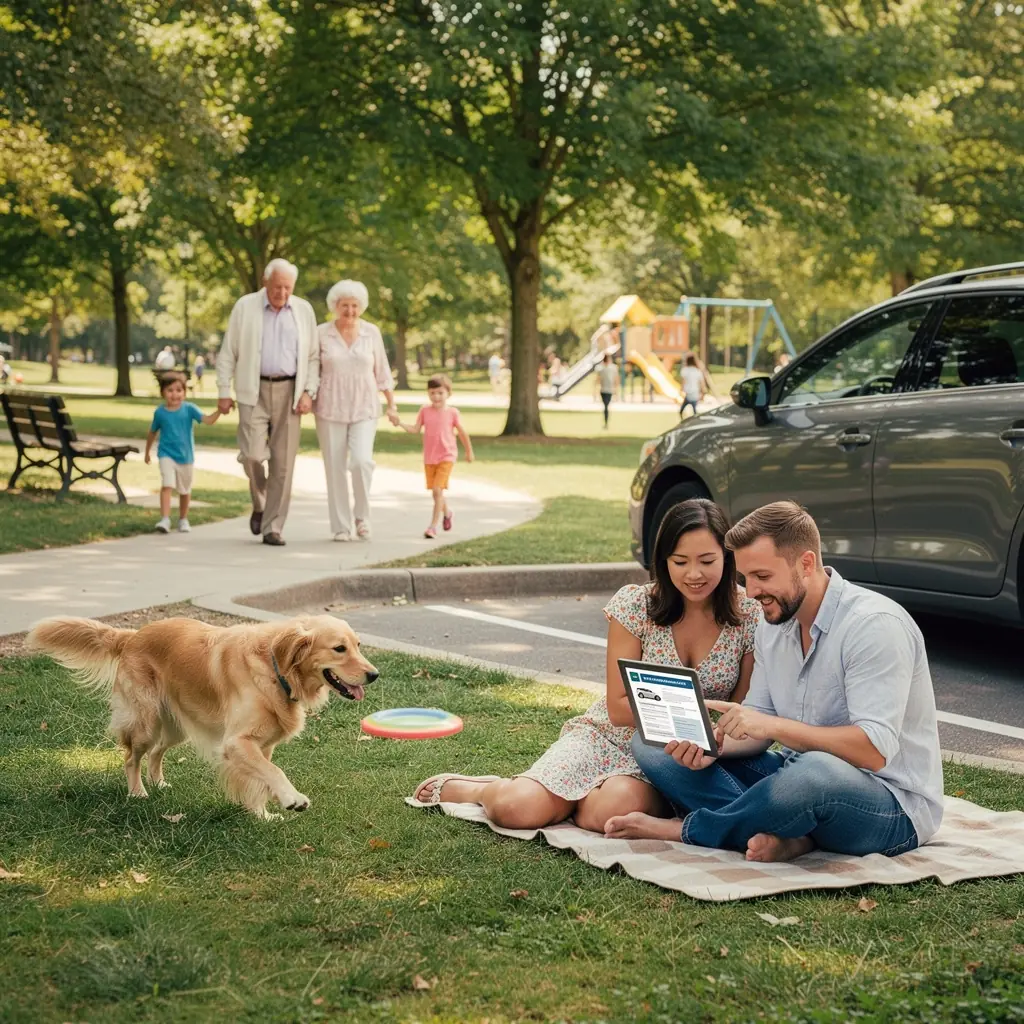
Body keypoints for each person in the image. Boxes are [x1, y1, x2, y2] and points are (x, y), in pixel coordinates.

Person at [605, 500, 944, 864]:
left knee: (814, 772)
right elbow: (756, 726)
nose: (751, 592)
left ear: (806, 564)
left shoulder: (874, 626)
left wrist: (773, 726)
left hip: (889, 804)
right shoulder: (773, 624)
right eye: (745, 578)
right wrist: (712, 746)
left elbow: (873, 751)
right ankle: (791, 833)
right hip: (795, 777)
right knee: (654, 743)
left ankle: (691, 829)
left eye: (762, 577)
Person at [412, 499, 762, 833]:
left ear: (727, 557)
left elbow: (741, 712)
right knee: (515, 808)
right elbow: (618, 708)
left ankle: (570, 801)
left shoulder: (749, 615)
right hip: (609, 735)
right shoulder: (637, 604)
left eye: (707, 560)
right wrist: (686, 717)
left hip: (678, 755)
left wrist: (702, 740)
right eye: (680, 561)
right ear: (663, 560)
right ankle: (485, 789)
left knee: (609, 812)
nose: (694, 574)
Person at [216, 258, 319, 547]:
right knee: (251, 455)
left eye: (288, 288)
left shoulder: (303, 310)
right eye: (277, 287)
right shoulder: (245, 307)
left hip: (290, 391)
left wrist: (309, 391)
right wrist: (223, 390)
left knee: (283, 465)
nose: (282, 293)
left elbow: (313, 357)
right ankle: (260, 500)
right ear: (265, 281)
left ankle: (273, 527)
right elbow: (228, 352)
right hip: (253, 389)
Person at [313, 279, 399, 542]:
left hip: (365, 407)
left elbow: (382, 370)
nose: (350, 311)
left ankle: (362, 517)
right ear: (335, 306)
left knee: (361, 462)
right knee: (335, 468)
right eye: (344, 305)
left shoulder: (371, 332)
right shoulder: (321, 333)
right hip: (330, 407)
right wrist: (306, 395)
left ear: (361, 306)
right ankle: (341, 526)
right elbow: (312, 369)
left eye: (354, 305)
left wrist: (392, 404)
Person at [396, 374, 474, 539]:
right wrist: (400, 423)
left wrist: (469, 452)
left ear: (448, 393)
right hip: (430, 457)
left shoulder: (452, 412)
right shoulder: (425, 411)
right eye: (432, 393)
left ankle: (432, 527)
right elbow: (415, 429)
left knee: (437, 490)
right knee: (436, 493)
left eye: (440, 393)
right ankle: (447, 513)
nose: (436, 396)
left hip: (447, 456)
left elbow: (462, 433)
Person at [145, 372, 222, 533]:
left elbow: (208, 420)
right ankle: (165, 519)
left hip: (186, 457)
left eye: (179, 390)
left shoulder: (189, 409)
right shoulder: (160, 413)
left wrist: (219, 411)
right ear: (163, 393)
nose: (175, 394)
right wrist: (147, 452)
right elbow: (152, 432)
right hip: (166, 454)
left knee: (184, 490)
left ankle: (183, 519)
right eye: (170, 390)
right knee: (167, 485)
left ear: (184, 393)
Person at [680, 352, 705, 417]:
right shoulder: (698, 371)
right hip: (695, 393)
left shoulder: (685, 370)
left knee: (681, 411)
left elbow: (683, 382)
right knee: (694, 411)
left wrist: (681, 390)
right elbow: (702, 384)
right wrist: (702, 393)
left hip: (688, 393)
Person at [598, 353, 618, 428]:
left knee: (606, 406)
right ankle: (606, 422)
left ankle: (606, 422)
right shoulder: (611, 368)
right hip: (607, 390)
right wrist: (616, 390)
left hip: (605, 390)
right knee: (606, 406)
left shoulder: (602, 368)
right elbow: (616, 379)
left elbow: (598, 379)